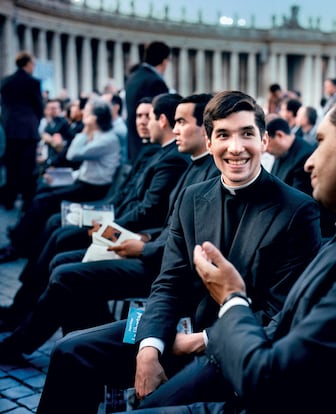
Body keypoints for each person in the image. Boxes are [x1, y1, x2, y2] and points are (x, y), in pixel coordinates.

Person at [129, 86, 336, 414]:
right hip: (221, 340)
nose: (308, 162)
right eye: (223, 135)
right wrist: (151, 346)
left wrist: (232, 298)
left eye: (320, 141)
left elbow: (273, 374)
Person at [35, 90, 322, 414]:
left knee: (152, 406)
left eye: (247, 134)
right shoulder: (192, 197)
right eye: (224, 135)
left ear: (265, 140)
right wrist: (149, 347)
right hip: (177, 327)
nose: (236, 147)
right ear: (209, 141)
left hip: (234, 348)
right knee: (70, 351)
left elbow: (282, 313)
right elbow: (168, 282)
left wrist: (203, 340)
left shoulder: (299, 210)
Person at [0, 93, 220, 363]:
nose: (174, 129)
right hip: (150, 248)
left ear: (204, 127)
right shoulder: (189, 162)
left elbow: (181, 233)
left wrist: (143, 245)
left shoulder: (189, 164)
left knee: (67, 272)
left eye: (181, 122)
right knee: (64, 261)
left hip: (160, 266)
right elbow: (167, 223)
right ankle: (79, 340)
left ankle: (48, 343)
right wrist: (142, 237)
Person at [0, 97, 121, 263]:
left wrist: (85, 131)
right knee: (42, 193)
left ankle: (18, 246)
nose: (83, 113)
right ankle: (21, 241)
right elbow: (85, 168)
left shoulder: (107, 139)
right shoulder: (100, 135)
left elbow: (73, 154)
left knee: (43, 201)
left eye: (87, 111)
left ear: (95, 117)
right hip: (83, 182)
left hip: (93, 189)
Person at [0, 51, 44, 210]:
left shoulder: (5, 82)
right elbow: (39, 107)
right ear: (28, 64)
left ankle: (9, 198)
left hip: (10, 130)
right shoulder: (33, 83)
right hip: (28, 131)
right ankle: (27, 201)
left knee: (11, 166)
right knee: (27, 167)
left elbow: (4, 106)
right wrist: (35, 123)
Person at [125, 41, 170, 163]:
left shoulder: (133, 77)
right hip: (151, 147)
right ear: (164, 61)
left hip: (134, 143)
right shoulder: (155, 82)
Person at [266, 117, 314, 195]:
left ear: (279, 135)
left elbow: (297, 199)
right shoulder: (280, 152)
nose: (265, 149)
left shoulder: (304, 157)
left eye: (267, 142)